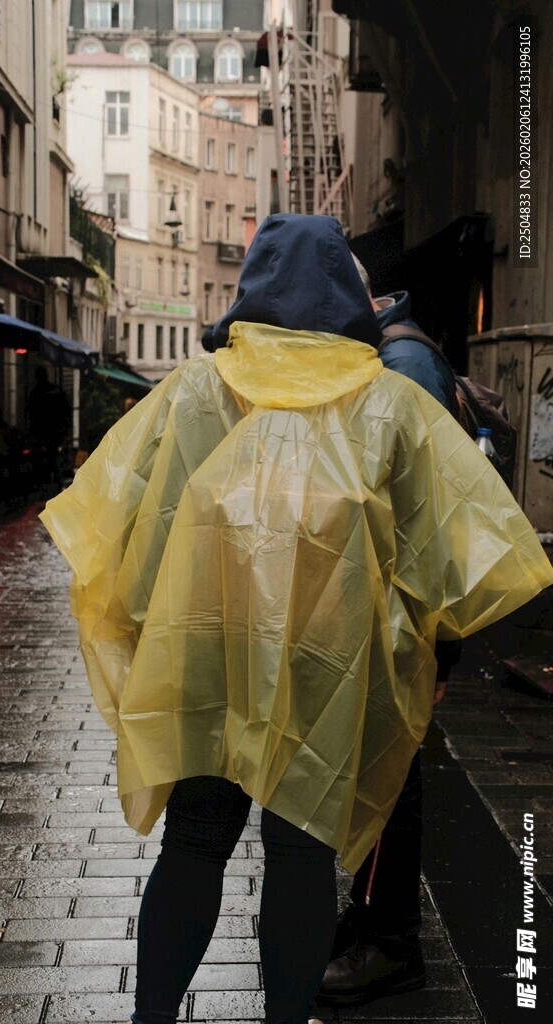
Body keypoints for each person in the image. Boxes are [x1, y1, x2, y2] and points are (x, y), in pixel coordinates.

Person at [39, 214, 553, 1024]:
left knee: (195, 843)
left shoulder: (195, 388)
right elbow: (450, 549)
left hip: (206, 656)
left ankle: (151, 1018)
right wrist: (435, 660)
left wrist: (151, 636)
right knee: (301, 853)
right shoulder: (386, 404)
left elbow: (132, 522)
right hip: (326, 670)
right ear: (346, 293)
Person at [316, 262, 462, 1006]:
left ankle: (391, 944)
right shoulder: (387, 359)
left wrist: (441, 647)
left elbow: (430, 514)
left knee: (391, 775)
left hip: (400, 618)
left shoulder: (400, 371)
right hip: (384, 611)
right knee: (379, 773)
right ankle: (371, 920)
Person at [28, 366, 71, 493]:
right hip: (53, 434)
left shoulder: (36, 393)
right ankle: (55, 486)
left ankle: (45, 488)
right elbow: (65, 412)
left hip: (46, 434)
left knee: (45, 462)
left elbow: (31, 415)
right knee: (54, 461)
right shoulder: (53, 391)